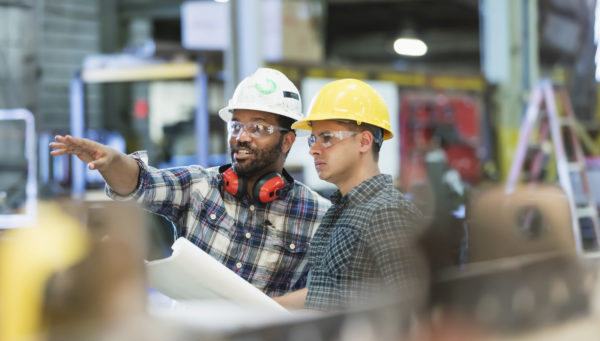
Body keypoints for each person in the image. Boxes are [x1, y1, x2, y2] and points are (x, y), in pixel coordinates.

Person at [50, 68, 330, 297]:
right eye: (236, 126)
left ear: (288, 140)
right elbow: (140, 182)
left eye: (257, 127)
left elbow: (323, 297)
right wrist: (111, 161)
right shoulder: (199, 186)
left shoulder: (317, 215)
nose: (242, 137)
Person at [275, 79, 427, 311]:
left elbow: (416, 306)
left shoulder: (387, 214)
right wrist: (261, 306)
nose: (313, 149)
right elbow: (324, 292)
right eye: (314, 138)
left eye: (327, 138)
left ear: (364, 142)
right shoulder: (339, 212)